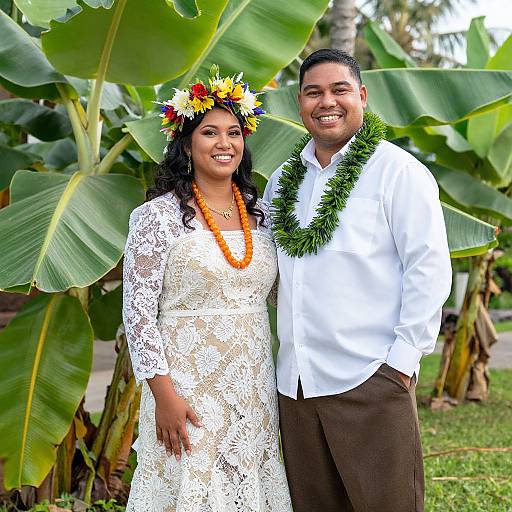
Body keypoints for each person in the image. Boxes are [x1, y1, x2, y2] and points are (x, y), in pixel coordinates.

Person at [263, 49, 452, 512]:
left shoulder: (398, 172)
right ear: (299, 104)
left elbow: (428, 269)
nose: (326, 101)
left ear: (362, 96)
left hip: (371, 379)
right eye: (313, 92)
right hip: (297, 386)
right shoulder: (283, 181)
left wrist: (400, 366)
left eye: (339, 89)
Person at [123, 67, 292, 511]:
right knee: (191, 485)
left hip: (252, 382)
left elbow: (280, 294)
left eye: (234, 132)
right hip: (186, 385)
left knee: (246, 480)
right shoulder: (155, 218)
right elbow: (138, 317)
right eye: (210, 132)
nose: (225, 143)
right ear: (186, 143)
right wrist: (163, 395)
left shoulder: (264, 216)